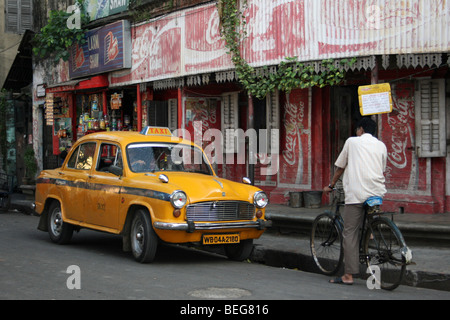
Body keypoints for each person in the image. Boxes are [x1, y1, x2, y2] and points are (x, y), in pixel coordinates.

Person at [323, 117, 387, 285]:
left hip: (356, 193)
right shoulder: (381, 145)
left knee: (350, 233)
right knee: (369, 217)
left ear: (361, 130)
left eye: (357, 130)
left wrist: (331, 184)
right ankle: (370, 233)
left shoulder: (352, 142)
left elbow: (341, 167)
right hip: (377, 192)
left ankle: (348, 275)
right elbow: (382, 168)